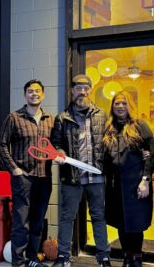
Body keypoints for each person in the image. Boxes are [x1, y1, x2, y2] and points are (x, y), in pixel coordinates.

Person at [50, 74, 112, 267]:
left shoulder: (102, 115)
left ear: (91, 90)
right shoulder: (62, 117)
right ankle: (63, 257)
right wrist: (59, 153)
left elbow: (110, 142)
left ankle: (103, 257)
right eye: (78, 88)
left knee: (98, 216)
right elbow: (56, 144)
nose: (82, 92)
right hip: (72, 177)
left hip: (96, 176)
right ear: (72, 90)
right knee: (67, 216)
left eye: (86, 88)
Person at [0, 79, 54, 267]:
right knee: (22, 222)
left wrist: (60, 153)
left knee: (38, 221)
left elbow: (56, 146)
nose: (34, 94)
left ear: (43, 94)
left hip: (44, 177)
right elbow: (2, 146)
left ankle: (32, 258)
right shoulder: (14, 117)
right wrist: (14, 169)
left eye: (38, 91)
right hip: (23, 178)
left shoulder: (50, 120)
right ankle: (18, 262)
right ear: (25, 95)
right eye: (30, 91)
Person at [102, 91, 154, 267]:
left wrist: (146, 180)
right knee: (121, 223)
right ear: (112, 106)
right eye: (117, 103)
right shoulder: (108, 128)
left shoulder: (140, 125)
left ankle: (137, 257)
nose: (120, 106)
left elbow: (151, 154)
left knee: (136, 223)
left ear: (129, 106)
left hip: (136, 183)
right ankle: (127, 256)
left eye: (124, 103)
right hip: (115, 185)